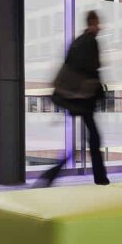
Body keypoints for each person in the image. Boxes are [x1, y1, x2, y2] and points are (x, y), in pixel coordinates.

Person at [37, 10, 109, 187]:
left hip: (76, 97)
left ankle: (55, 173)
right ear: (92, 22)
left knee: (90, 138)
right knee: (93, 137)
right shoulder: (90, 41)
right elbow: (92, 68)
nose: (99, 26)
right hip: (84, 98)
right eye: (97, 22)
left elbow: (69, 64)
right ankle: (98, 178)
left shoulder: (78, 41)